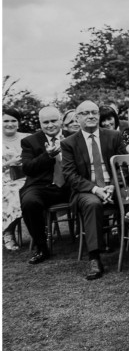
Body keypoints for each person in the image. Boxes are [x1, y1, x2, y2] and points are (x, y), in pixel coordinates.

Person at [61, 100, 127, 280]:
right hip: (87, 190)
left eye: (94, 112)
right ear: (77, 117)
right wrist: (96, 189)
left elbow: (123, 165)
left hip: (114, 184)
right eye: (85, 113)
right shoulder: (69, 143)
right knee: (92, 204)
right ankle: (94, 258)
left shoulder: (113, 136)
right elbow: (70, 175)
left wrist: (113, 185)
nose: (91, 116)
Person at [19, 107, 71, 264]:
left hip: (69, 185)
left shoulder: (73, 137)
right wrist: (48, 155)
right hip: (42, 186)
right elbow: (27, 168)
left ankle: (99, 243)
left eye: (53, 121)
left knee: (90, 196)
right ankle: (41, 247)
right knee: (29, 201)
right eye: (45, 122)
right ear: (40, 123)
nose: (50, 125)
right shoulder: (30, 141)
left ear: (60, 120)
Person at [3, 108, 29, 250]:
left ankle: (40, 231)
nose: (10, 124)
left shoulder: (27, 137)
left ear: (18, 123)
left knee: (32, 188)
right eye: (6, 120)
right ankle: (8, 233)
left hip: (26, 176)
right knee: (12, 192)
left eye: (13, 120)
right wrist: (9, 162)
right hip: (5, 180)